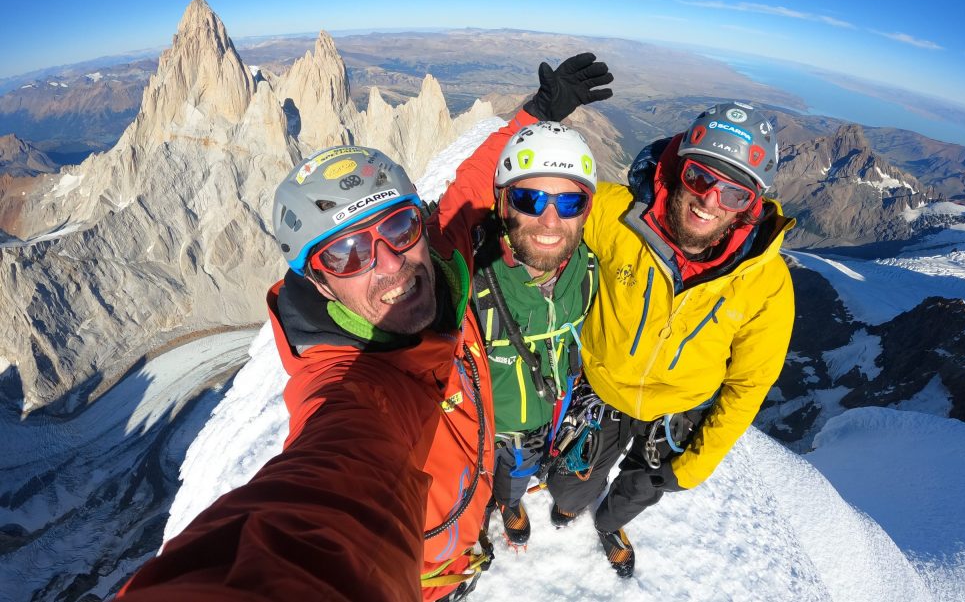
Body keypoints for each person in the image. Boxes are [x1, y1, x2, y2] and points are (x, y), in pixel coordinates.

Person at [116, 53, 612, 602]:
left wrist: (536, 114)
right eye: (347, 254)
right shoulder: (351, 388)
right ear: (318, 283)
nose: (390, 264)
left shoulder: (440, 265)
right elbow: (320, 505)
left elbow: (471, 190)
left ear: (421, 225)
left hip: (463, 538)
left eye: (398, 226)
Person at [545, 101, 796, 578]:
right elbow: (537, 213)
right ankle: (571, 505)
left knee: (637, 493)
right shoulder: (616, 215)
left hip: (679, 414)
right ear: (679, 168)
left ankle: (609, 525)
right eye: (701, 178)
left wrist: (699, 463)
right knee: (567, 490)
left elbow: (748, 385)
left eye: (734, 195)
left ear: (752, 206)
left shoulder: (767, 284)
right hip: (605, 389)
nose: (709, 201)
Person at [472, 121, 600, 546]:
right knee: (477, 485)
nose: (549, 220)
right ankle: (486, 516)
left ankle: (509, 504)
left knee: (515, 477)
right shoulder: (470, 281)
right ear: (503, 203)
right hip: (480, 428)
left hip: (545, 421)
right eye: (530, 199)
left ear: (586, 210)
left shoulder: (589, 275)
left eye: (569, 202)